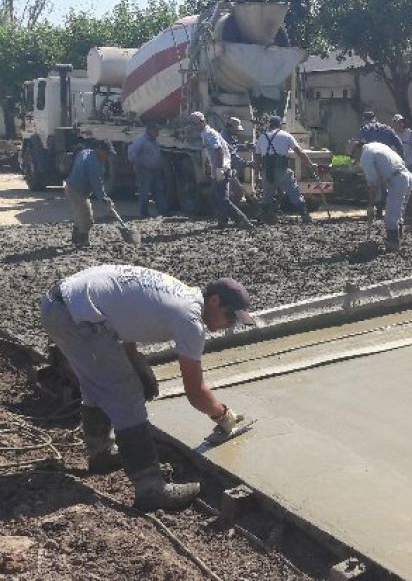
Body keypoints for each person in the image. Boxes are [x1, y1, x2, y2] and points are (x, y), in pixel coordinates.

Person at [40, 265, 254, 511]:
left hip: (62, 305)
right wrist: (224, 416)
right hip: (74, 315)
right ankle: (151, 489)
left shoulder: (180, 294)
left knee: (98, 383)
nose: (229, 326)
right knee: (126, 393)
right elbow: (195, 392)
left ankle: (101, 454)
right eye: (230, 317)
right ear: (214, 301)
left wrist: (134, 358)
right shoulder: (190, 320)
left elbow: (125, 314)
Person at [188, 111, 253, 229]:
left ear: (202, 122)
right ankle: (223, 221)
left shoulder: (208, 133)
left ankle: (241, 220)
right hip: (221, 168)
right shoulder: (207, 133)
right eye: (192, 124)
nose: (193, 127)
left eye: (195, 124)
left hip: (221, 169)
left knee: (221, 198)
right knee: (215, 196)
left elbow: (219, 151)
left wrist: (219, 169)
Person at [350, 139, 412, 251]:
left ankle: (393, 244)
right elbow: (378, 181)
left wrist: (370, 205)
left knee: (391, 217)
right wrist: (376, 202)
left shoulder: (366, 156)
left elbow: (373, 184)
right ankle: (398, 239)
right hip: (406, 176)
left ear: (356, 149)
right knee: (398, 213)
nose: (355, 158)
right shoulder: (375, 145)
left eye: (353, 155)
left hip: (397, 179)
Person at [253, 115, 315, 224]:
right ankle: (304, 215)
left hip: (267, 171)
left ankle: (264, 216)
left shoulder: (262, 137)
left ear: (270, 125)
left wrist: (257, 173)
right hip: (281, 170)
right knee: (294, 192)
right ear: (280, 125)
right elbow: (299, 152)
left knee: (267, 194)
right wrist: (310, 164)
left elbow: (257, 157)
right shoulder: (286, 136)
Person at [64, 139, 118, 247]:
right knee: (87, 218)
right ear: (99, 150)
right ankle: (83, 241)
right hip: (76, 191)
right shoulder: (94, 164)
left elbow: (77, 153)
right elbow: (97, 185)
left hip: (71, 187)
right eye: (106, 153)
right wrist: (105, 199)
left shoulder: (86, 152)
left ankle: (75, 238)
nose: (107, 156)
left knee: (80, 214)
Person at [127, 121, 168, 218]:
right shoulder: (141, 140)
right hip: (144, 170)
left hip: (155, 169)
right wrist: (137, 164)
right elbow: (131, 153)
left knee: (158, 191)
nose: (158, 133)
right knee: (144, 192)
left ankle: (162, 212)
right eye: (156, 130)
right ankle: (144, 213)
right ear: (149, 130)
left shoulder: (154, 140)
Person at [390, 114, 412, 187]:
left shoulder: (408, 132)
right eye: (398, 122)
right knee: (400, 180)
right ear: (394, 124)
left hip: (410, 160)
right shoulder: (391, 133)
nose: (400, 124)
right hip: (397, 161)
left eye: (401, 122)